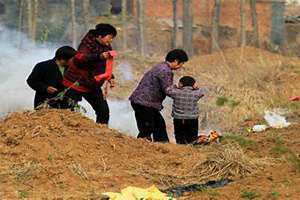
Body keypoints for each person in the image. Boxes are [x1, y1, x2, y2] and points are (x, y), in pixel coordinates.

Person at [63, 23, 117, 126]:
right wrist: (99, 56)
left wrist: (110, 77)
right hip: (76, 82)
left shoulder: (106, 46)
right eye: (109, 38)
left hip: (93, 83)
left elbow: (105, 64)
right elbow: (80, 59)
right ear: (100, 36)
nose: (110, 41)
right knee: (68, 110)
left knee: (103, 111)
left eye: (112, 38)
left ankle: (101, 132)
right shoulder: (86, 44)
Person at [129, 49, 189, 142]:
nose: (181, 66)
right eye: (182, 63)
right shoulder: (166, 71)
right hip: (145, 103)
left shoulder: (160, 66)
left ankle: (162, 147)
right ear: (176, 61)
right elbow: (168, 90)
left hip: (144, 102)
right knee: (147, 129)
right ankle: (141, 150)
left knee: (159, 126)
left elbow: (166, 86)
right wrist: (185, 93)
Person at [166, 76, 206, 144]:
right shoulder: (196, 93)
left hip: (178, 118)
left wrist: (175, 86)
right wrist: (196, 88)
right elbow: (202, 92)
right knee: (192, 137)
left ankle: (180, 148)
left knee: (179, 136)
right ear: (193, 84)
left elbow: (167, 90)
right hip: (192, 119)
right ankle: (191, 148)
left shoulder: (176, 92)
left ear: (181, 84)